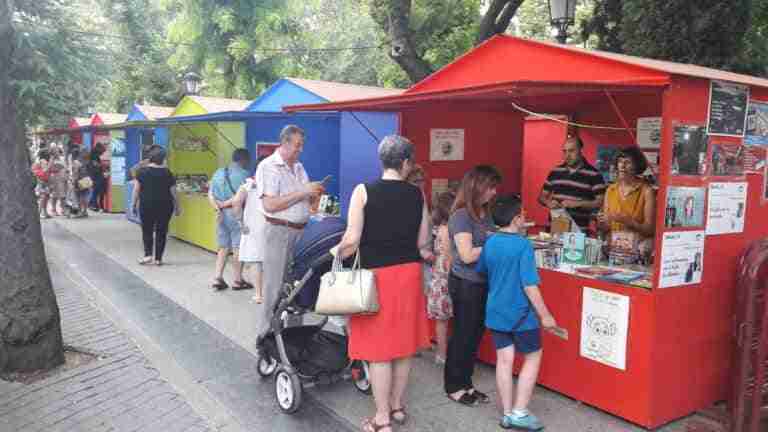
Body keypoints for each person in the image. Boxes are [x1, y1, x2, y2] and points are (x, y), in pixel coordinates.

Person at [332, 135, 432, 432]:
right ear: (405, 163)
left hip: (376, 279)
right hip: (408, 275)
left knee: (378, 351)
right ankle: (398, 406)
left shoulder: (363, 191)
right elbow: (422, 241)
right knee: (402, 347)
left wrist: (335, 252)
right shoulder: (417, 195)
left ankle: (382, 418)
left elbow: (351, 240)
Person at [476, 195, 556, 431]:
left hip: (496, 311)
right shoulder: (523, 245)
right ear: (515, 219)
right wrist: (546, 315)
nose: (525, 217)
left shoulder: (490, 242)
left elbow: (482, 270)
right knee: (532, 356)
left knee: (504, 360)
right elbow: (530, 286)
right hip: (521, 314)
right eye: (522, 214)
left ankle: (507, 412)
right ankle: (520, 412)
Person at [255, 125, 324, 334]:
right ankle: (265, 336)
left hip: (301, 232)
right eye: (297, 145)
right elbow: (270, 205)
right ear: (284, 143)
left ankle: (291, 334)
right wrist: (302, 191)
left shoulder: (299, 167)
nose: (300, 149)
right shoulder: (268, 167)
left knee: (296, 286)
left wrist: (313, 194)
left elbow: (304, 200)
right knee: (274, 287)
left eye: (302, 145)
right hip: (280, 231)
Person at [444, 165, 502, 406]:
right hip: (466, 283)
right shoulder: (461, 216)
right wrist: (497, 242)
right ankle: (453, 386)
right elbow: (467, 255)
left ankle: (466, 382)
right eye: (490, 187)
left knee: (474, 335)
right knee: (462, 335)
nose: (494, 192)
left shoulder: (484, 213)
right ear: (477, 187)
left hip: (481, 283)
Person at [597, 147, 655, 262]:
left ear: (637, 166)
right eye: (620, 161)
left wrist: (629, 222)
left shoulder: (646, 191)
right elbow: (606, 228)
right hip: (613, 246)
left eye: (627, 162)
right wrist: (602, 223)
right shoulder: (610, 190)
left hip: (637, 247)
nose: (622, 166)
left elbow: (650, 230)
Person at [538, 134, 606, 230]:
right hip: (554, 229)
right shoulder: (555, 171)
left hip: (579, 233)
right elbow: (541, 197)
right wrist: (549, 203)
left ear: (581, 151)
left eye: (571, 151)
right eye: (564, 151)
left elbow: (601, 203)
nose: (567, 155)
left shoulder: (594, 174)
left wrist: (577, 204)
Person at [208, 148, 252, 291]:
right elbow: (239, 198)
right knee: (237, 247)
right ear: (244, 160)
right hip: (236, 213)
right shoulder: (245, 175)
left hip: (220, 214)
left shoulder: (219, 172)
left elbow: (210, 193)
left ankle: (218, 278)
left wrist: (217, 207)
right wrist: (226, 204)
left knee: (223, 246)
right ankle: (238, 280)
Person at [132, 148, 180, 265]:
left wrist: (133, 204)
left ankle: (148, 255)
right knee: (161, 231)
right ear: (163, 159)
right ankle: (158, 258)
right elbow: (173, 191)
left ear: (150, 158)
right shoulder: (168, 173)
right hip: (165, 205)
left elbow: (136, 190)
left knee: (147, 230)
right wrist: (177, 206)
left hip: (146, 205)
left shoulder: (142, 172)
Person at [232, 155, 269, 303]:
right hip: (273, 226)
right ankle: (271, 293)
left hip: (252, 227)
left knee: (255, 262)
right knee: (272, 261)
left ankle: (259, 294)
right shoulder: (274, 184)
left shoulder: (249, 184)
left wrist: (240, 222)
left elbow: (236, 203)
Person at [427, 191, 455, 365]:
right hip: (445, 279)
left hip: (438, 278)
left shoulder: (439, 228)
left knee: (441, 321)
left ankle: (441, 353)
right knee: (443, 321)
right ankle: (443, 354)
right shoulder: (446, 230)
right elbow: (448, 255)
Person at [70, 148, 91, 218]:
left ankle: (80, 211)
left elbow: (76, 173)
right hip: (86, 179)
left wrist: (74, 181)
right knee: (84, 196)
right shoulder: (86, 161)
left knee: (79, 196)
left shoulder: (76, 162)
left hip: (79, 180)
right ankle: (85, 211)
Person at [32, 149, 52, 219]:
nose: (49, 154)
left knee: (45, 197)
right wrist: (49, 165)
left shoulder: (41, 161)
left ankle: (44, 212)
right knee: (43, 198)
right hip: (42, 181)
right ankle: (39, 213)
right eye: (48, 153)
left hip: (44, 181)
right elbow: (44, 170)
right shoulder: (42, 161)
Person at [48, 146, 68, 216]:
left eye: (57, 150)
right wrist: (56, 169)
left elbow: (66, 167)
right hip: (55, 178)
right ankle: (54, 209)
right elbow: (49, 169)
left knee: (63, 194)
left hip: (63, 177)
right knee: (55, 194)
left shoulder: (62, 158)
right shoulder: (51, 159)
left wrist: (66, 172)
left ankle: (63, 209)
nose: (57, 152)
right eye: (55, 151)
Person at [88, 144, 108, 212]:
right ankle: (94, 205)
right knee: (96, 190)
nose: (102, 153)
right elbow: (96, 165)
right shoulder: (94, 156)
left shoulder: (93, 155)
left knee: (95, 190)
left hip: (94, 174)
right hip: (96, 175)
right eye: (102, 151)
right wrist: (103, 166)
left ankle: (93, 204)